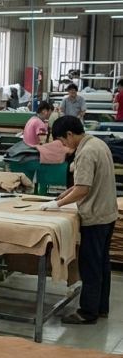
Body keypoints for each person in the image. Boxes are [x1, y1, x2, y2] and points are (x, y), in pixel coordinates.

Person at [43, 115, 117, 324]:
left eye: (63, 141)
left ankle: (87, 313)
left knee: (90, 265)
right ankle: (101, 307)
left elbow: (84, 188)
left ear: (70, 134)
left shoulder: (85, 152)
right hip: (107, 214)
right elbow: (86, 182)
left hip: (95, 217)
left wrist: (56, 205)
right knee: (102, 263)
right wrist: (66, 194)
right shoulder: (98, 143)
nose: (65, 146)